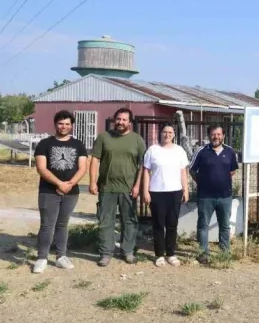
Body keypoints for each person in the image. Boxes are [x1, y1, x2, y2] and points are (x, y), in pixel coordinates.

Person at [32, 110, 89, 274]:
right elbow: (41, 168)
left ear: (71, 125)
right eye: (60, 123)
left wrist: (70, 184)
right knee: (47, 225)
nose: (64, 126)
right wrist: (59, 183)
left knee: (63, 224)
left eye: (67, 124)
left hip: (71, 191)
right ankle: (42, 258)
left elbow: (82, 167)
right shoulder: (44, 144)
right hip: (48, 191)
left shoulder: (78, 144)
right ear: (55, 124)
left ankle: (60, 256)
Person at [89, 108, 146, 267]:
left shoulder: (137, 140)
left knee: (129, 221)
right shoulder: (103, 137)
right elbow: (94, 160)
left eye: (124, 119)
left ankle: (127, 251)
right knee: (105, 221)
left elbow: (143, 165)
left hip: (128, 189)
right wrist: (93, 182)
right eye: (118, 119)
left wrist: (137, 186)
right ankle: (106, 253)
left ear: (130, 122)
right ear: (114, 120)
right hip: (107, 187)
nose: (121, 122)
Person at [141, 123, 190, 267]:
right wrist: (145, 191)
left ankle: (171, 254)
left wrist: (185, 190)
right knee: (158, 224)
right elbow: (146, 171)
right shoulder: (152, 150)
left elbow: (183, 172)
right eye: (164, 132)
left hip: (175, 191)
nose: (167, 134)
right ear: (160, 133)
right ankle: (159, 255)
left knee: (172, 224)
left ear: (174, 135)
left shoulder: (179, 150)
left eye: (170, 132)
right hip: (156, 192)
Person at [190, 125, 239, 263]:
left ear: (223, 135)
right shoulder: (201, 151)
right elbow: (192, 170)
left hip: (225, 196)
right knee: (203, 225)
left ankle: (225, 253)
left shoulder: (230, 152)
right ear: (209, 135)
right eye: (213, 134)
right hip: (205, 196)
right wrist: (203, 182)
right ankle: (203, 253)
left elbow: (232, 171)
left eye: (218, 134)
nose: (216, 137)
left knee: (224, 225)